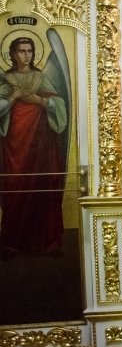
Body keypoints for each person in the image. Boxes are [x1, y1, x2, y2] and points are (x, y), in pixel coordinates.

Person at [0, 36, 67, 255]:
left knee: (42, 188)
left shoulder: (40, 78)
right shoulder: (6, 80)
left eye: (29, 51)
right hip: (14, 147)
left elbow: (60, 105)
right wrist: (14, 96)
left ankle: (48, 242)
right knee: (15, 188)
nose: (26, 55)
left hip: (41, 146)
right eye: (21, 51)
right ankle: (12, 243)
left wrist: (40, 101)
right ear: (12, 54)